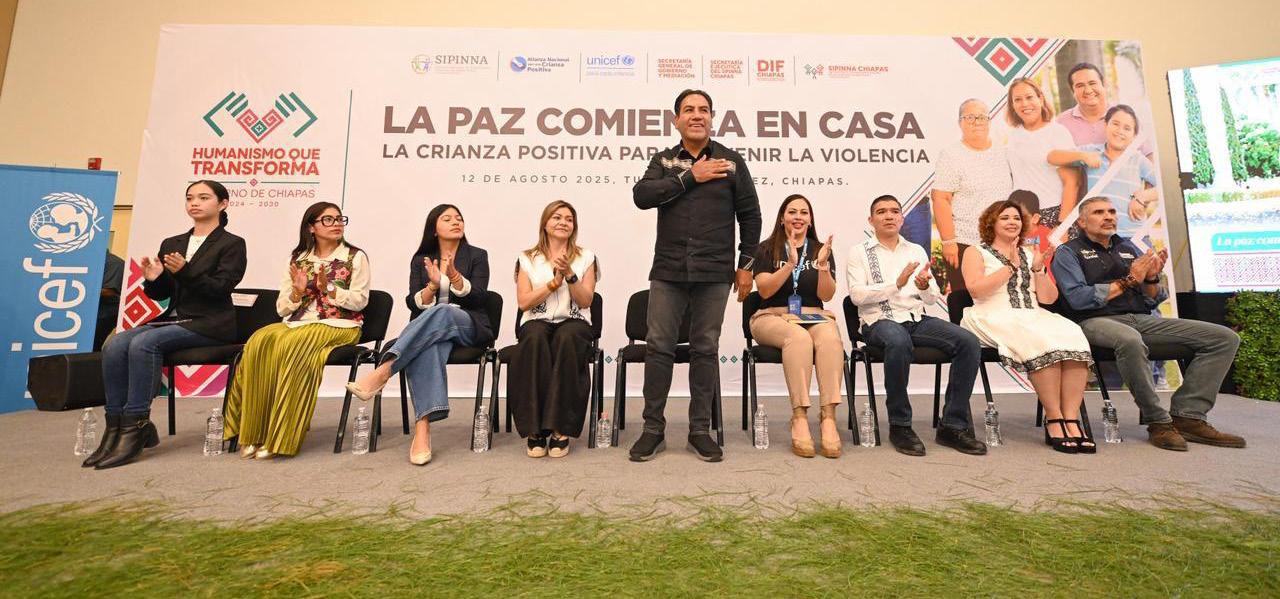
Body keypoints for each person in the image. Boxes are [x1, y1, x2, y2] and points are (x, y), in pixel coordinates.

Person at [629, 89, 761, 463]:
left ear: (712, 118)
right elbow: (642, 196)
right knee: (658, 347)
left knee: (705, 347)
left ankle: (699, 430)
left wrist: (746, 265)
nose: (697, 115)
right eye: (689, 110)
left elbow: (751, 216)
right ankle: (653, 430)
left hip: (715, 271)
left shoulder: (731, 162)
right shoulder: (664, 160)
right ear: (677, 120)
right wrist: (690, 176)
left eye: (704, 110)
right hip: (668, 269)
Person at [1052, 197, 1245, 451]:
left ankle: (1188, 415)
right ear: (1082, 222)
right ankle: (1158, 421)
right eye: (1099, 212)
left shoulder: (1128, 247)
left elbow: (1151, 299)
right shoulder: (1068, 252)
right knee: (1129, 340)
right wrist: (1130, 280)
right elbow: (1078, 299)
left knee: (1224, 338)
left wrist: (1152, 278)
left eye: (1111, 211)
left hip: (1141, 318)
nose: (1108, 216)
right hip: (1093, 321)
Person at [84, 180, 247, 469]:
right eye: (190, 198)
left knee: (144, 342)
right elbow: (163, 294)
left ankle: (137, 423)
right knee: (115, 343)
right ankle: (115, 424)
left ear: (222, 204)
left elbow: (219, 289)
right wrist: (155, 278)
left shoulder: (232, 244)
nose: (194, 203)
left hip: (211, 324)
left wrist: (186, 271)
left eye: (204, 197)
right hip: (176, 319)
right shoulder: (173, 243)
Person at [346, 204, 493, 466]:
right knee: (427, 347)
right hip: (431, 333)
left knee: (444, 311)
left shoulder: (477, 255)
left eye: (459, 218)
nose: (456, 222)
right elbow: (412, 303)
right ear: (434, 229)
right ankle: (422, 429)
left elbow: (481, 298)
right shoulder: (421, 259)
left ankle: (385, 370)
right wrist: (433, 286)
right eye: (447, 219)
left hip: (467, 326)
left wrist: (455, 278)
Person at [224, 202, 370, 459]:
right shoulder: (298, 260)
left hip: (340, 326)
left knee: (292, 343)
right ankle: (252, 431)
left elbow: (360, 301)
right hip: (298, 324)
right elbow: (282, 308)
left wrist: (329, 289)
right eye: (328, 220)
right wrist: (297, 292)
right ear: (311, 227)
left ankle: (281, 435)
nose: (336, 224)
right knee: (259, 339)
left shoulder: (354, 257)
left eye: (339, 219)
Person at [847, 194, 987, 456]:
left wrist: (924, 286)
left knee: (968, 341)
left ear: (902, 218)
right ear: (871, 220)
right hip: (879, 321)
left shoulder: (915, 250)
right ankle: (900, 425)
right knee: (898, 340)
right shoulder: (859, 252)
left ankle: (953, 425)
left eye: (894, 211)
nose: (889, 216)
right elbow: (856, 296)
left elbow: (932, 297)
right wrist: (896, 284)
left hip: (915, 319)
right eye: (881, 212)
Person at [960, 199, 1095, 453]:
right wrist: (1010, 266)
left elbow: (1048, 299)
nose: (1012, 222)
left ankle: (1071, 418)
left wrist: (1039, 270)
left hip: (1032, 313)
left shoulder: (1031, 254)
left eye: (1016, 218)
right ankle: (1054, 418)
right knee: (1041, 340)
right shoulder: (975, 252)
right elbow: (976, 290)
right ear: (991, 223)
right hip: (991, 314)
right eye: (1005, 218)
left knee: (1073, 333)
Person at [749, 194, 843, 458]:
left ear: (810, 219)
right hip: (772, 316)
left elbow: (826, 296)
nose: (798, 217)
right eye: (792, 212)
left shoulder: (821, 249)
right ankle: (799, 417)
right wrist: (790, 264)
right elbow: (765, 291)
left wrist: (822, 266)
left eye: (804, 212)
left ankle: (828, 417)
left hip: (812, 315)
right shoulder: (767, 248)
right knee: (798, 338)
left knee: (831, 338)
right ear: (782, 218)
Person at [507, 200, 599, 458]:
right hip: (537, 320)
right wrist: (552, 284)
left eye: (569, 219)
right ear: (545, 224)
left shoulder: (586, 257)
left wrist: (570, 275)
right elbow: (524, 302)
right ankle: (535, 430)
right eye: (557, 217)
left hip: (574, 320)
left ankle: (560, 429)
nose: (563, 223)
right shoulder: (527, 258)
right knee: (534, 338)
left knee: (568, 338)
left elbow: (586, 301)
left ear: (574, 226)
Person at [932, 98, 1013, 292]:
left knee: (999, 300)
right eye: (969, 117)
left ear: (989, 121)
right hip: (965, 243)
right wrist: (948, 242)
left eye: (981, 117)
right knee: (965, 300)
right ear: (960, 123)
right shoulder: (951, 155)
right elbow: (941, 199)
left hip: (1001, 244)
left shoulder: (1004, 152)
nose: (976, 122)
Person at [1050, 105, 1159, 241]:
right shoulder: (1091, 151)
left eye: (1127, 128)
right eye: (1115, 124)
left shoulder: (1138, 160)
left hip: (1134, 236)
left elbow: (1165, 187)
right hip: (1098, 237)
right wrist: (1083, 156)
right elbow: (1052, 157)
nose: (1120, 131)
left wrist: (1143, 196)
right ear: (1106, 125)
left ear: (1134, 136)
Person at [1004, 78, 1080, 228]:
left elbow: (1072, 182)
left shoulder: (1057, 132)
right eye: (1017, 99)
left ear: (1040, 98)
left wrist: (1062, 225)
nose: (1024, 104)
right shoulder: (1013, 135)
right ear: (1012, 105)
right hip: (1022, 218)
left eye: (1029, 97)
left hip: (1053, 215)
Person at [1055, 62, 1155, 161]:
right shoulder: (1062, 122)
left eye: (1092, 83)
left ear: (1104, 85)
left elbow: (1147, 154)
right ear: (1073, 92)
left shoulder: (1126, 116)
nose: (1088, 90)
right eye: (1080, 86)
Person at [94, 251, 125, 350]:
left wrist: (81, 291)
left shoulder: (115, 263)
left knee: (89, 346)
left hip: (105, 312)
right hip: (89, 310)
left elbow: (109, 291)